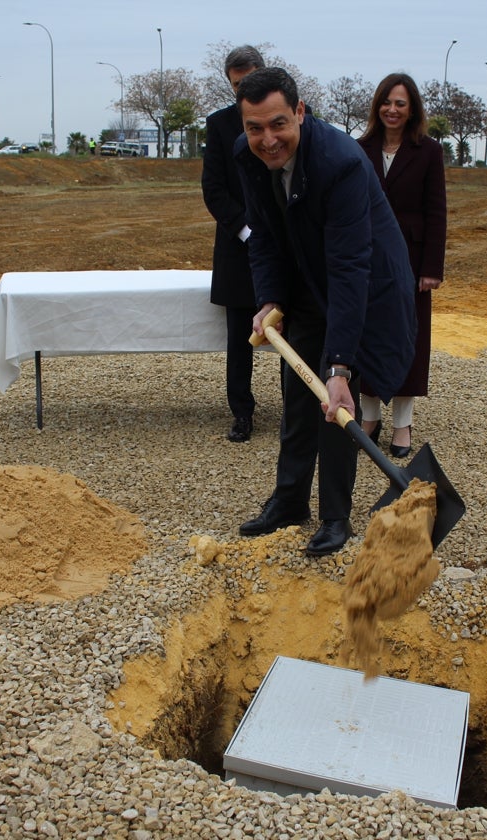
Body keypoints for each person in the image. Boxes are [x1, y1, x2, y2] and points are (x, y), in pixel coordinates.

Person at [235, 67, 417, 557]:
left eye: (278, 124)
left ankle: (336, 516)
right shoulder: (246, 156)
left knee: (337, 404)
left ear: (299, 112)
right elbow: (264, 238)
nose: (267, 140)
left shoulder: (341, 162)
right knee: (298, 396)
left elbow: (350, 265)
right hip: (307, 285)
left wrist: (339, 366)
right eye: (255, 128)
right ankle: (290, 500)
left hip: (363, 284)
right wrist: (271, 299)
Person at [355, 73, 447, 459]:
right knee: (367, 337)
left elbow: (436, 211)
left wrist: (432, 268)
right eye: (387, 102)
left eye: (401, 104)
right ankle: (370, 418)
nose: (392, 110)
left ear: (412, 110)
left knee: (409, 340)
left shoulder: (428, 151)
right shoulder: (359, 148)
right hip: (368, 258)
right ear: (378, 106)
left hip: (410, 261)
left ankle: (402, 423)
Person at [202, 45, 266, 443]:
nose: (243, 91)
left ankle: (297, 411)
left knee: (294, 334)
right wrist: (246, 230)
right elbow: (213, 188)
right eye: (236, 85)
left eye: (249, 82)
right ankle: (241, 413)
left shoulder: (287, 119)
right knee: (240, 341)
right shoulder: (220, 124)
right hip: (237, 250)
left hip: (288, 248)